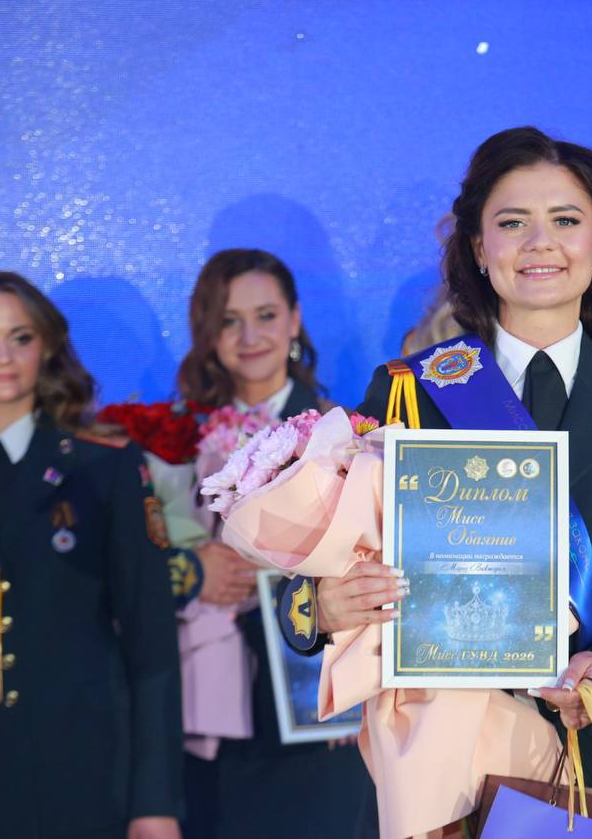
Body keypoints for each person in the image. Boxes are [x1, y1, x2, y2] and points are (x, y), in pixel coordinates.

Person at [303, 126, 592, 833]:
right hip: (449, 777)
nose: (540, 243)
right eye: (512, 223)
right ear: (478, 246)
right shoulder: (409, 393)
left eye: (566, 220)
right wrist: (323, 606)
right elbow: (323, 578)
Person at [0, 270, 182, 839]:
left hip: (88, 779)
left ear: (47, 347)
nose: (2, 357)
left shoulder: (104, 466)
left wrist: (154, 802)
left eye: (20, 337)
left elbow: (152, 643)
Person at [169, 248, 371, 839]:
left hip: (318, 705)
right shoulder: (172, 437)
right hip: (214, 700)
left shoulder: (346, 432)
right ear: (207, 331)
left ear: (295, 319)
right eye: (229, 320)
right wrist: (191, 567)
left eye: (266, 315)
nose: (250, 336)